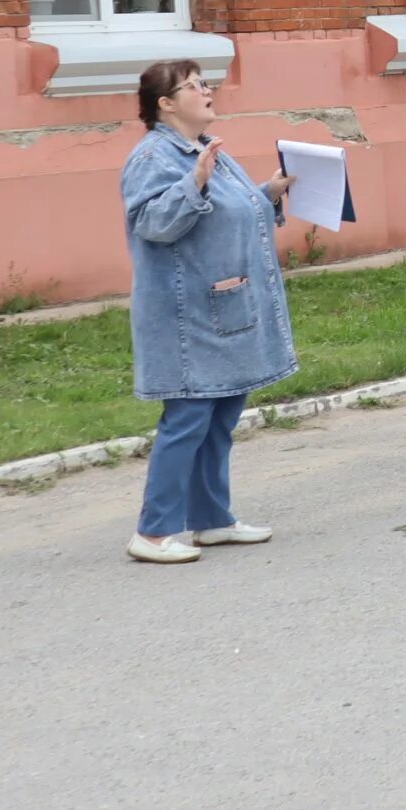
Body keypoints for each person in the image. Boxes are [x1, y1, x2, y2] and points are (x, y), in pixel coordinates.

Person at [120, 60, 294, 563]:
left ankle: (211, 520)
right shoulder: (154, 156)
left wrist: (268, 194)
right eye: (192, 86)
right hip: (184, 313)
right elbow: (152, 222)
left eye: (204, 83)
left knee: (221, 411)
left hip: (219, 303)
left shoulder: (204, 149)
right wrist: (192, 182)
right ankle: (152, 533)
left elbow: (232, 209)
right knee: (189, 414)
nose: (206, 91)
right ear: (166, 104)